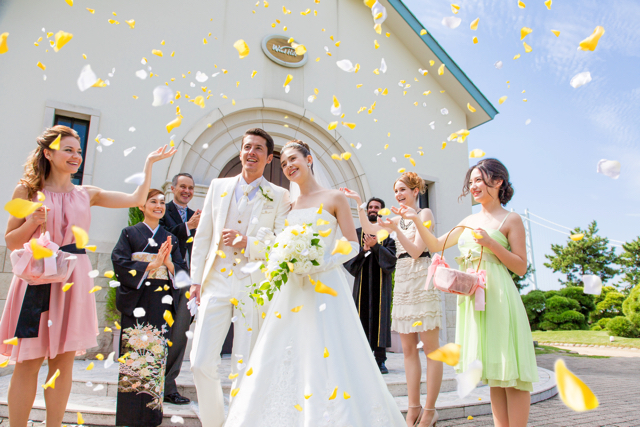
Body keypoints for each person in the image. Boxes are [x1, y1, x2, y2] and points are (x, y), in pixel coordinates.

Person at [0, 125, 175, 427]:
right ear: (48, 153)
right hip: (37, 281)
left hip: (72, 281)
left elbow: (137, 198)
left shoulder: (87, 194)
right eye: (68, 150)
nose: (76, 156)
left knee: (62, 365)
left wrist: (148, 163)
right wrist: (31, 222)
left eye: (78, 151)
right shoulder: (27, 191)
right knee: (28, 363)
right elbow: (11, 241)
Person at [224, 140, 406, 427]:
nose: (288, 166)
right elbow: (280, 241)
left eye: (293, 159)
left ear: (308, 160)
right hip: (293, 287)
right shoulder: (289, 204)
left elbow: (351, 245)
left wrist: (320, 261)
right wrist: (284, 258)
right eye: (284, 163)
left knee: (328, 348)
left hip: (325, 284)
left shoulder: (334, 198)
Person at [398, 158, 539, 427]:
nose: (473, 186)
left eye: (479, 180)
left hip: (499, 298)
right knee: (495, 374)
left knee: (512, 371)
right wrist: (416, 219)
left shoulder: (511, 219)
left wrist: (491, 244)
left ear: (498, 182)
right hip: (474, 300)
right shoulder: (468, 220)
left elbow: (520, 267)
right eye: (471, 181)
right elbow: (435, 245)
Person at [188, 128, 291, 427]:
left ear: (268, 158)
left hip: (253, 284)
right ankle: (213, 422)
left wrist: (248, 242)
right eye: (247, 146)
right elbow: (203, 236)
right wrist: (196, 280)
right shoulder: (218, 186)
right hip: (216, 281)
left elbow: (282, 244)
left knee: (245, 365)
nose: (251, 152)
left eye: (258, 148)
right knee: (200, 361)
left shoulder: (280, 195)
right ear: (241, 151)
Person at [341, 172, 443, 427]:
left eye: (402, 190)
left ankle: (430, 410)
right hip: (404, 282)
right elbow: (369, 230)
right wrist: (359, 204)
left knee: (431, 351)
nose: (398, 195)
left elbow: (417, 250)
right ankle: (413, 408)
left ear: (415, 191)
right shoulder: (396, 219)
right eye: (396, 191)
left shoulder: (424, 214)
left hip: (422, 279)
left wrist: (397, 229)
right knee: (408, 350)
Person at [111, 189, 188, 427]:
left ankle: (151, 418)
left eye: (162, 202)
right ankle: (129, 418)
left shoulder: (170, 238)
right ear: (141, 206)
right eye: (153, 201)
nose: (159, 206)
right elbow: (119, 262)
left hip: (161, 301)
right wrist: (150, 265)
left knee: (156, 357)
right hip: (138, 299)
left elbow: (183, 274)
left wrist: (168, 264)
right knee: (135, 359)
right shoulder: (129, 233)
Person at [159, 172, 200, 405]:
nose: (187, 191)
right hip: (164, 278)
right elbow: (160, 237)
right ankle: (151, 383)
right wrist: (186, 227)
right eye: (183, 186)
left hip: (188, 282)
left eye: (191, 188)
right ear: (173, 188)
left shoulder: (197, 216)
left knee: (180, 332)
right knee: (160, 331)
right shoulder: (161, 210)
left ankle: (168, 386)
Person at [344, 197, 396, 375]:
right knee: (361, 320)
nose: (373, 209)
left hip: (381, 287)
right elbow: (349, 262)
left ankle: (380, 360)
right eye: (371, 207)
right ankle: (361, 359)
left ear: (382, 211)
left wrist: (375, 246)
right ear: (366, 211)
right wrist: (364, 251)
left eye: (377, 207)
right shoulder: (356, 234)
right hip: (362, 287)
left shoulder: (387, 234)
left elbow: (391, 261)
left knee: (381, 322)